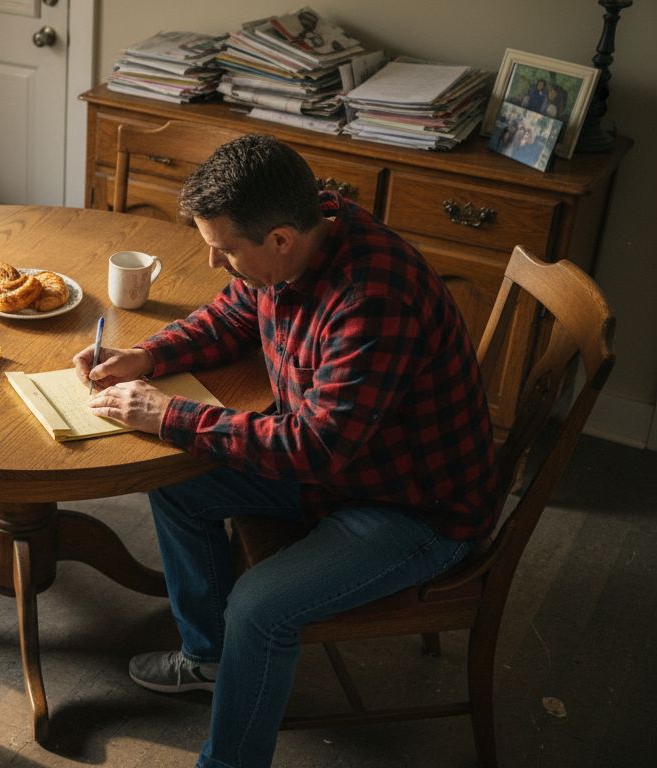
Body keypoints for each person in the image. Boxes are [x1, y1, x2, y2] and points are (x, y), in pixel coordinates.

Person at [73, 134, 498, 768]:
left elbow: (315, 449)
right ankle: (209, 660)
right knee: (176, 481)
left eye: (223, 250)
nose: (215, 263)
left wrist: (170, 414)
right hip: (346, 468)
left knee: (260, 607)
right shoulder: (301, 234)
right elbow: (232, 315)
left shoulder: (371, 301)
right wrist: (150, 354)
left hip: (414, 508)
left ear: (278, 240)